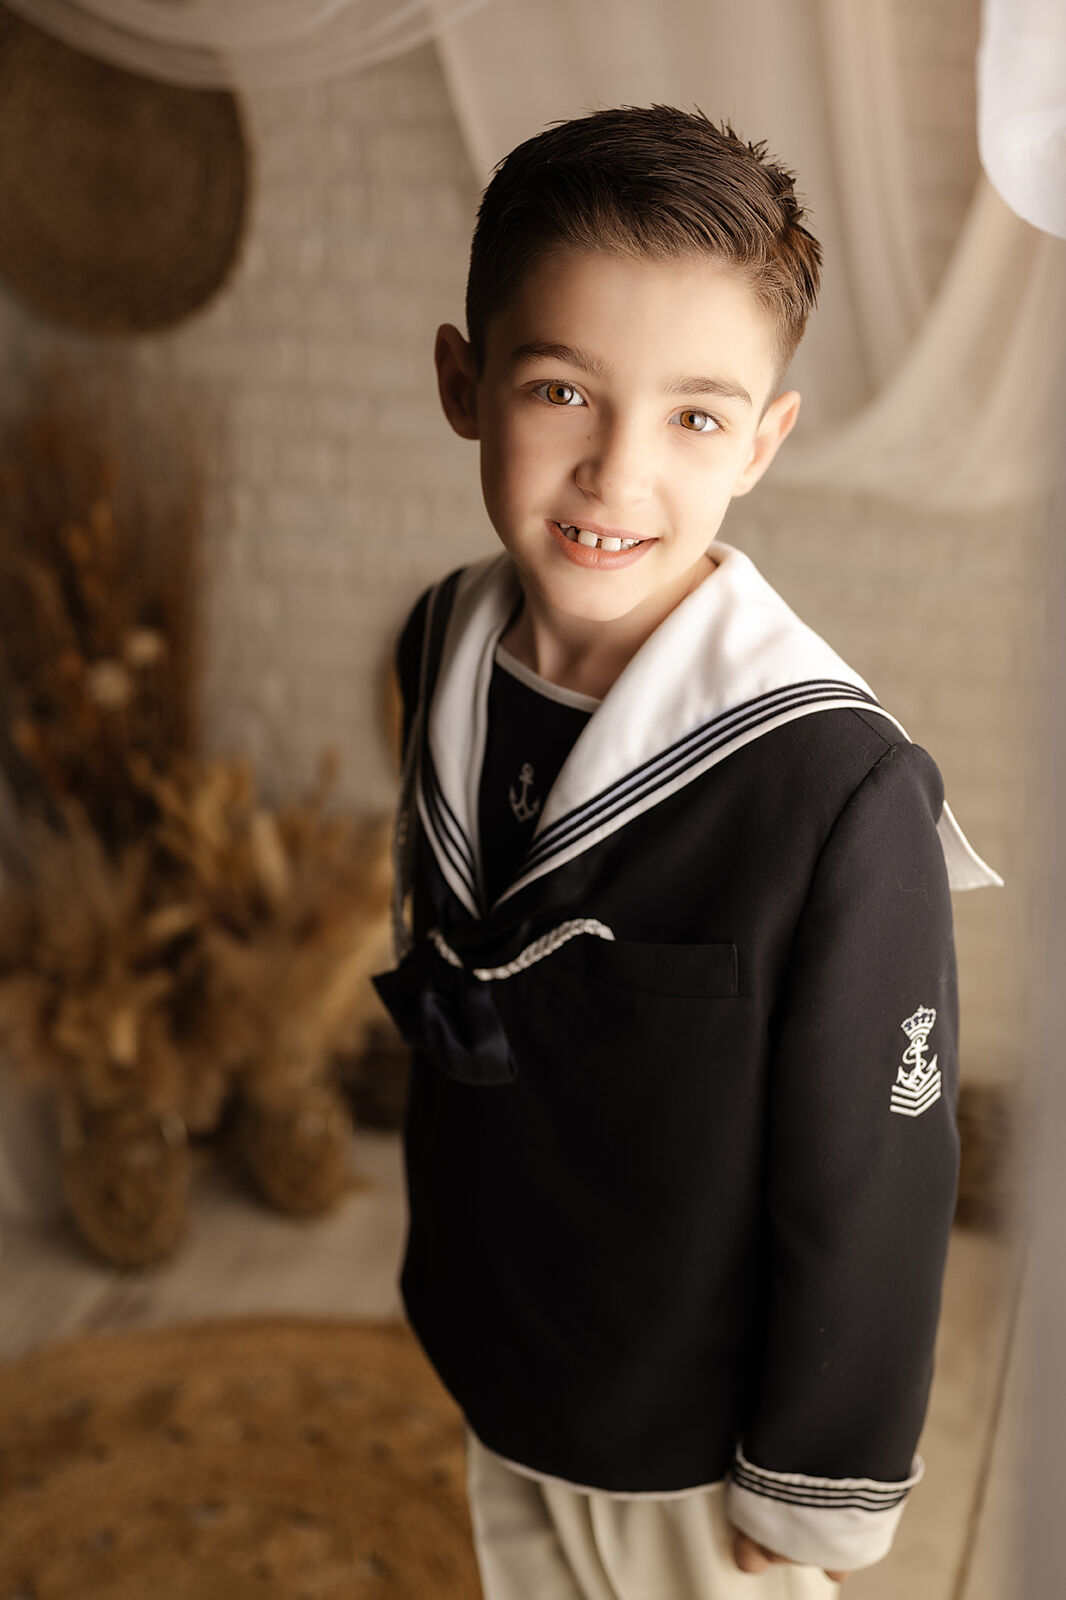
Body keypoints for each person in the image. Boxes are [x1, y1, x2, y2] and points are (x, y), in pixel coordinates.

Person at [372, 105, 1002, 1599]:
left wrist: (812, 1478)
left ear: (764, 440)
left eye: (694, 418)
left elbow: (875, 1177)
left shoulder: (832, 788)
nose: (616, 472)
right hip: (503, 1346)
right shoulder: (440, 640)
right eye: (560, 391)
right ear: (463, 382)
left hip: (692, 1441)